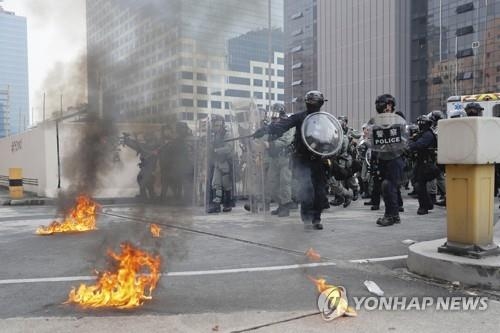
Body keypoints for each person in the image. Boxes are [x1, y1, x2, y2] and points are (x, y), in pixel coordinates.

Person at [254, 90, 331, 230]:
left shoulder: (325, 120)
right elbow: (282, 125)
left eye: (316, 102)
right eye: (312, 101)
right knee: (307, 190)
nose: (314, 104)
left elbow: (332, 138)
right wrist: (266, 129)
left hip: (319, 159)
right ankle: (308, 218)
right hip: (303, 159)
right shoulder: (300, 117)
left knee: (319, 191)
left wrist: (328, 152)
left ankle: (316, 218)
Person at [372, 94, 406, 227]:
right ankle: (395, 215)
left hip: (394, 157)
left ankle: (390, 216)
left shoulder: (396, 121)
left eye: (388, 105)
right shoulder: (378, 122)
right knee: (387, 186)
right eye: (385, 105)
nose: (386, 107)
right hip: (383, 158)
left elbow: (402, 140)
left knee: (388, 186)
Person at [265, 103, 294, 217]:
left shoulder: (288, 125)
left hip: (285, 158)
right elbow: (265, 136)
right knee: (272, 183)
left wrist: (270, 144)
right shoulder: (272, 125)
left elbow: (286, 140)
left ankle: (285, 207)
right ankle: (280, 204)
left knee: (284, 183)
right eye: (272, 116)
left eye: (276, 116)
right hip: (274, 157)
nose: (273, 119)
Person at [408, 115, 438, 215]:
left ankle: (424, 206)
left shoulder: (428, 135)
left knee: (419, 184)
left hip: (427, 164)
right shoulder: (423, 134)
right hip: (421, 162)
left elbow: (419, 145)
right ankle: (428, 203)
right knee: (417, 183)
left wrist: (410, 143)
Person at [207, 115, 234, 213]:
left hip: (225, 161)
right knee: (216, 183)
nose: (216, 124)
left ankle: (227, 204)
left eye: (218, 122)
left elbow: (229, 147)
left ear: (222, 123)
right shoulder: (214, 135)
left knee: (226, 184)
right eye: (214, 122)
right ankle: (216, 204)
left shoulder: (227, 134)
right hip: (217, 162)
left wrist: (216, 150)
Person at [122, 132, 159, 202]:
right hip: (147, 169)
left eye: (148, 138)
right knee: (147, 184)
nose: (146, 139)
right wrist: (128, 140)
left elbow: (140, 147)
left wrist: (129, 140)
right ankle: (150, 197)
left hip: (148, 169)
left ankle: (145, 196)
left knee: (142, 181)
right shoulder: (149, 146)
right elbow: (136, 145)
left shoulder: (152, 147)